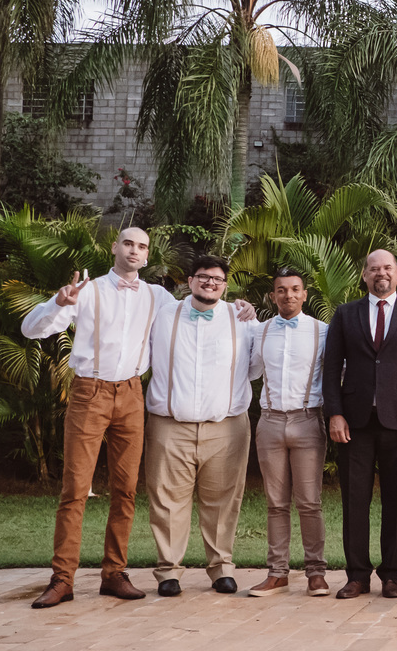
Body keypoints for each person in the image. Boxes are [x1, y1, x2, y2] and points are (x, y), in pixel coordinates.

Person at [21, 228, 167, 608]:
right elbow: (31, 329)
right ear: (115, 248)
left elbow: (200, 313)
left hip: (133, 393)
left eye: (142, 246)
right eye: (129, 243)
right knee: (75, 490)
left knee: (126, 489)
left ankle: (114, 573)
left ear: (147, 256)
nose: (135, 251)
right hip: (90, 391)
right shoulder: (86, 289)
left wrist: (240, 310)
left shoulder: (158, 296)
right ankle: (62, 579)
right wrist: (56, 303)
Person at [322, 249, 397, 599]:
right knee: (355, 501)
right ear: (364, 274)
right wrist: (334, 413)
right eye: (373, 268)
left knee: (396, 501)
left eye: (387, 268)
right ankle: (356, 575)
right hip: (354, 422)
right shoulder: (345, 314)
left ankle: (391, 575)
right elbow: (330, 369)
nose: (380, 273)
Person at [144, 255, 258, 597]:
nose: (210, 283)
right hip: (169, 424)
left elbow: (254, 369)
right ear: (190, 281)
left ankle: (221, 567)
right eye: (203, 276)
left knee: (223, 500)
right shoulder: (162, 316)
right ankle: (168, 571)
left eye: (218, 279)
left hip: (226, 426)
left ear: (226, 286)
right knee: (166, 499)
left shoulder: (243, 320)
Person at [246, 268, 330, 598]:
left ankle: (316, 573)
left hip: (308, 420)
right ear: (273, 295)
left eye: (295, 289)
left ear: (305, 294)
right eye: (281, 290)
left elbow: (340, 372)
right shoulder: (262, 331)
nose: (289, 295)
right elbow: (251, 370)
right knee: (275, 503)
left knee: (309, 502)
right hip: (269, 422)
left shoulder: (322, 331)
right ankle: (277, 572)